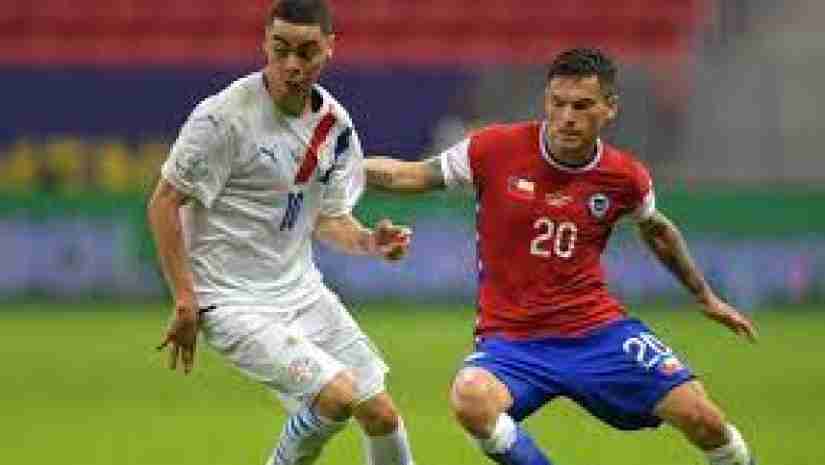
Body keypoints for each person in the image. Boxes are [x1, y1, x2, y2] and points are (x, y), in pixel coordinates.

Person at [364, 48, 758, 465]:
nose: (568, 117)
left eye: (582, 106)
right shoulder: (494, 149)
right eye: (558, 103)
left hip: (597, 331)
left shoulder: (625, 176)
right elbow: (407, 174)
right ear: (546, 101)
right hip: (512, 342)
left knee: (705, 420)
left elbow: (657, 230)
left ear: (609, 108)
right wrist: (338, 165)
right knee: (471, 399)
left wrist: (704, 296)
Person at [146, 1, 417, 464]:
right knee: (336, 397)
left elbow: (326, 218)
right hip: (231, 300)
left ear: (329, 48)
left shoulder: (334, 126)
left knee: (381, 414)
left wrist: (371, 241)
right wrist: (186, 300)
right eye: (281, 49)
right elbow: (164, 202)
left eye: (306, 52)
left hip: (300, 292)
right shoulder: (223, 118)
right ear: (264, 45)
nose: (292, 64)